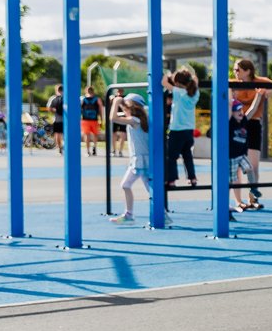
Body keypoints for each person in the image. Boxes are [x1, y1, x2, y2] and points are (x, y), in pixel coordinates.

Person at [108, 94, 164, 225]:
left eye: (125, 106)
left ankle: (161, 215)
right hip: (139, 159)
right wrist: (121, 102)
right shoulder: (142, 119)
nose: (123, 109)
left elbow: (113, 118)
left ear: (132, 107)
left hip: (141, 161)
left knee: (150, 189)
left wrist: (116, 102)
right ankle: (129, 215)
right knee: (127, 185)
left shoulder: (134, 120)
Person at [233, 58, 272, 206]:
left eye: (238, 69)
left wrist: (266, 91)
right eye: (234, 70)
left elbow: (270, 86)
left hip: (253, 124)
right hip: (237, 125)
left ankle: (253, 198)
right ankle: (238, 201)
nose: (235, 72)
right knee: (236, 166)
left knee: (254, 165)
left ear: (248, 71)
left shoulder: (259, 82)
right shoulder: (233, 84)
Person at [160, 68, 199, 188]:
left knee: (171, 156)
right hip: (189, 130)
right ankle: (192, 178)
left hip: (177, 130)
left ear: (177, 82)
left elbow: (163, 82)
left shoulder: (178, 92)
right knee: (187, 155)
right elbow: (195, 79)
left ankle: (171, 180)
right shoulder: (195, 93)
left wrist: (167, 74)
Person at [227, 101, 255, 211]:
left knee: (250, 168)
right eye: (237, 110)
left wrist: (258, 96)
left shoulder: (243, 121)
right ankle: (225, 202)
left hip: (241, 155)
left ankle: (253, 188)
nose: (240, 112)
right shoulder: (231, 122)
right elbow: (229, 109)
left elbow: (252, 110)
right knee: (231, 180)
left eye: (241, 110)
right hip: (232, 156)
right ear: (232, 113)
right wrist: (230, 99)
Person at [79, 86, 103, 156]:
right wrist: (101, 119)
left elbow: (79, 110)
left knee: (87, 135)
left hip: (85, 120)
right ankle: (94, 147)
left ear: (86, 91)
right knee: (95, 135)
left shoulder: (83, 99)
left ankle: (87, 151)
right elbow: (101, 110)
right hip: (94, 120)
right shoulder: (97, 99)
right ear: (93, 91)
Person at [46, 85, 65, 154]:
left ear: (57, 90)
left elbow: (49, 108)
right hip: (66, 119)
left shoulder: (53, 98)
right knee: (65, 134)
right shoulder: (67, 97)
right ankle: (64, 146)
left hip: (57, 119)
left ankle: (59, 148)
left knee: (57, 134)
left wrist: (55, 110)